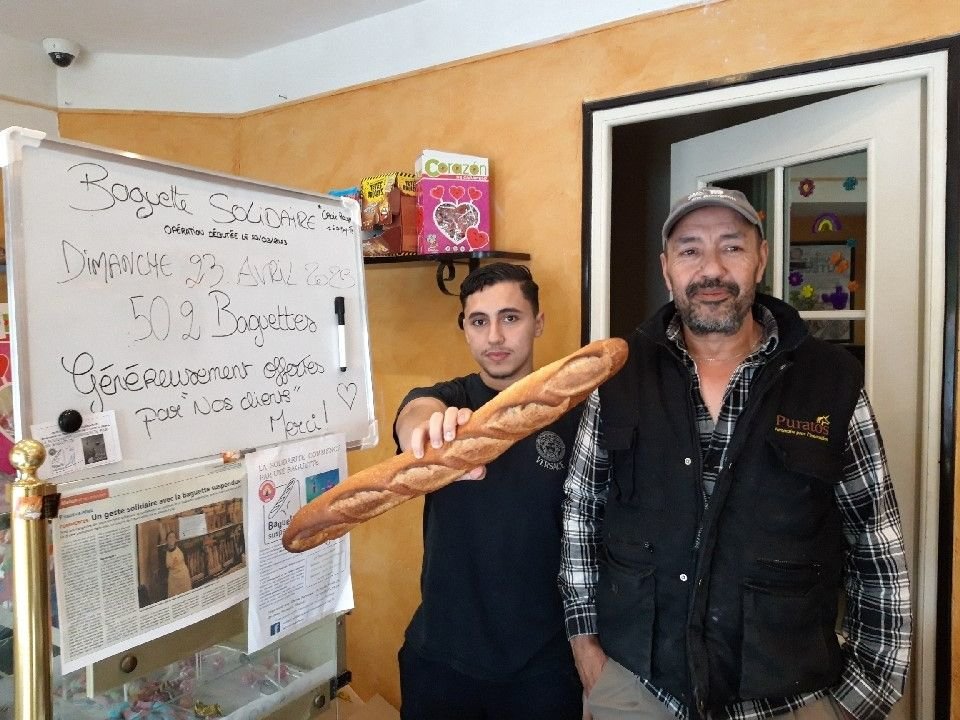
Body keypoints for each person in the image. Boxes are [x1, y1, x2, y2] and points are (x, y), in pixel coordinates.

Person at [560, 188, 911, 720]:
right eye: (690, 250)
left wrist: (858, 701)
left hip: (786, 701)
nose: (712, 269)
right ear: (666, 268)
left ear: (761, 259)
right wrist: (589, 658)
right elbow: (580, 517)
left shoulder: (829, 382)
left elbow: (876, 542)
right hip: (637, 693)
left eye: (732, 247)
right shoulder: (618, 380)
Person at [393, 262, 583, 720]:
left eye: (510, 317)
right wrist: (426, 432)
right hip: (440, 661)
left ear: (538, 323)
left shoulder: (577, 412)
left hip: (544, 669)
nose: (494, 336)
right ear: (465, 330)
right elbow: (413, 417)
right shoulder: (449, 403)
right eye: (479, 321)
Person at [164, 530, 192, 598]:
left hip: (183, 576)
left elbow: (186, 561)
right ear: (166, 540)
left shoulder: (181, 548)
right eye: (170, 537)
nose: (172, 539)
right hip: (173, 579)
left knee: (186, 596)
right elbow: (164, 569)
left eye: (173, 537)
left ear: (175, 539)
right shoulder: (164, 553)